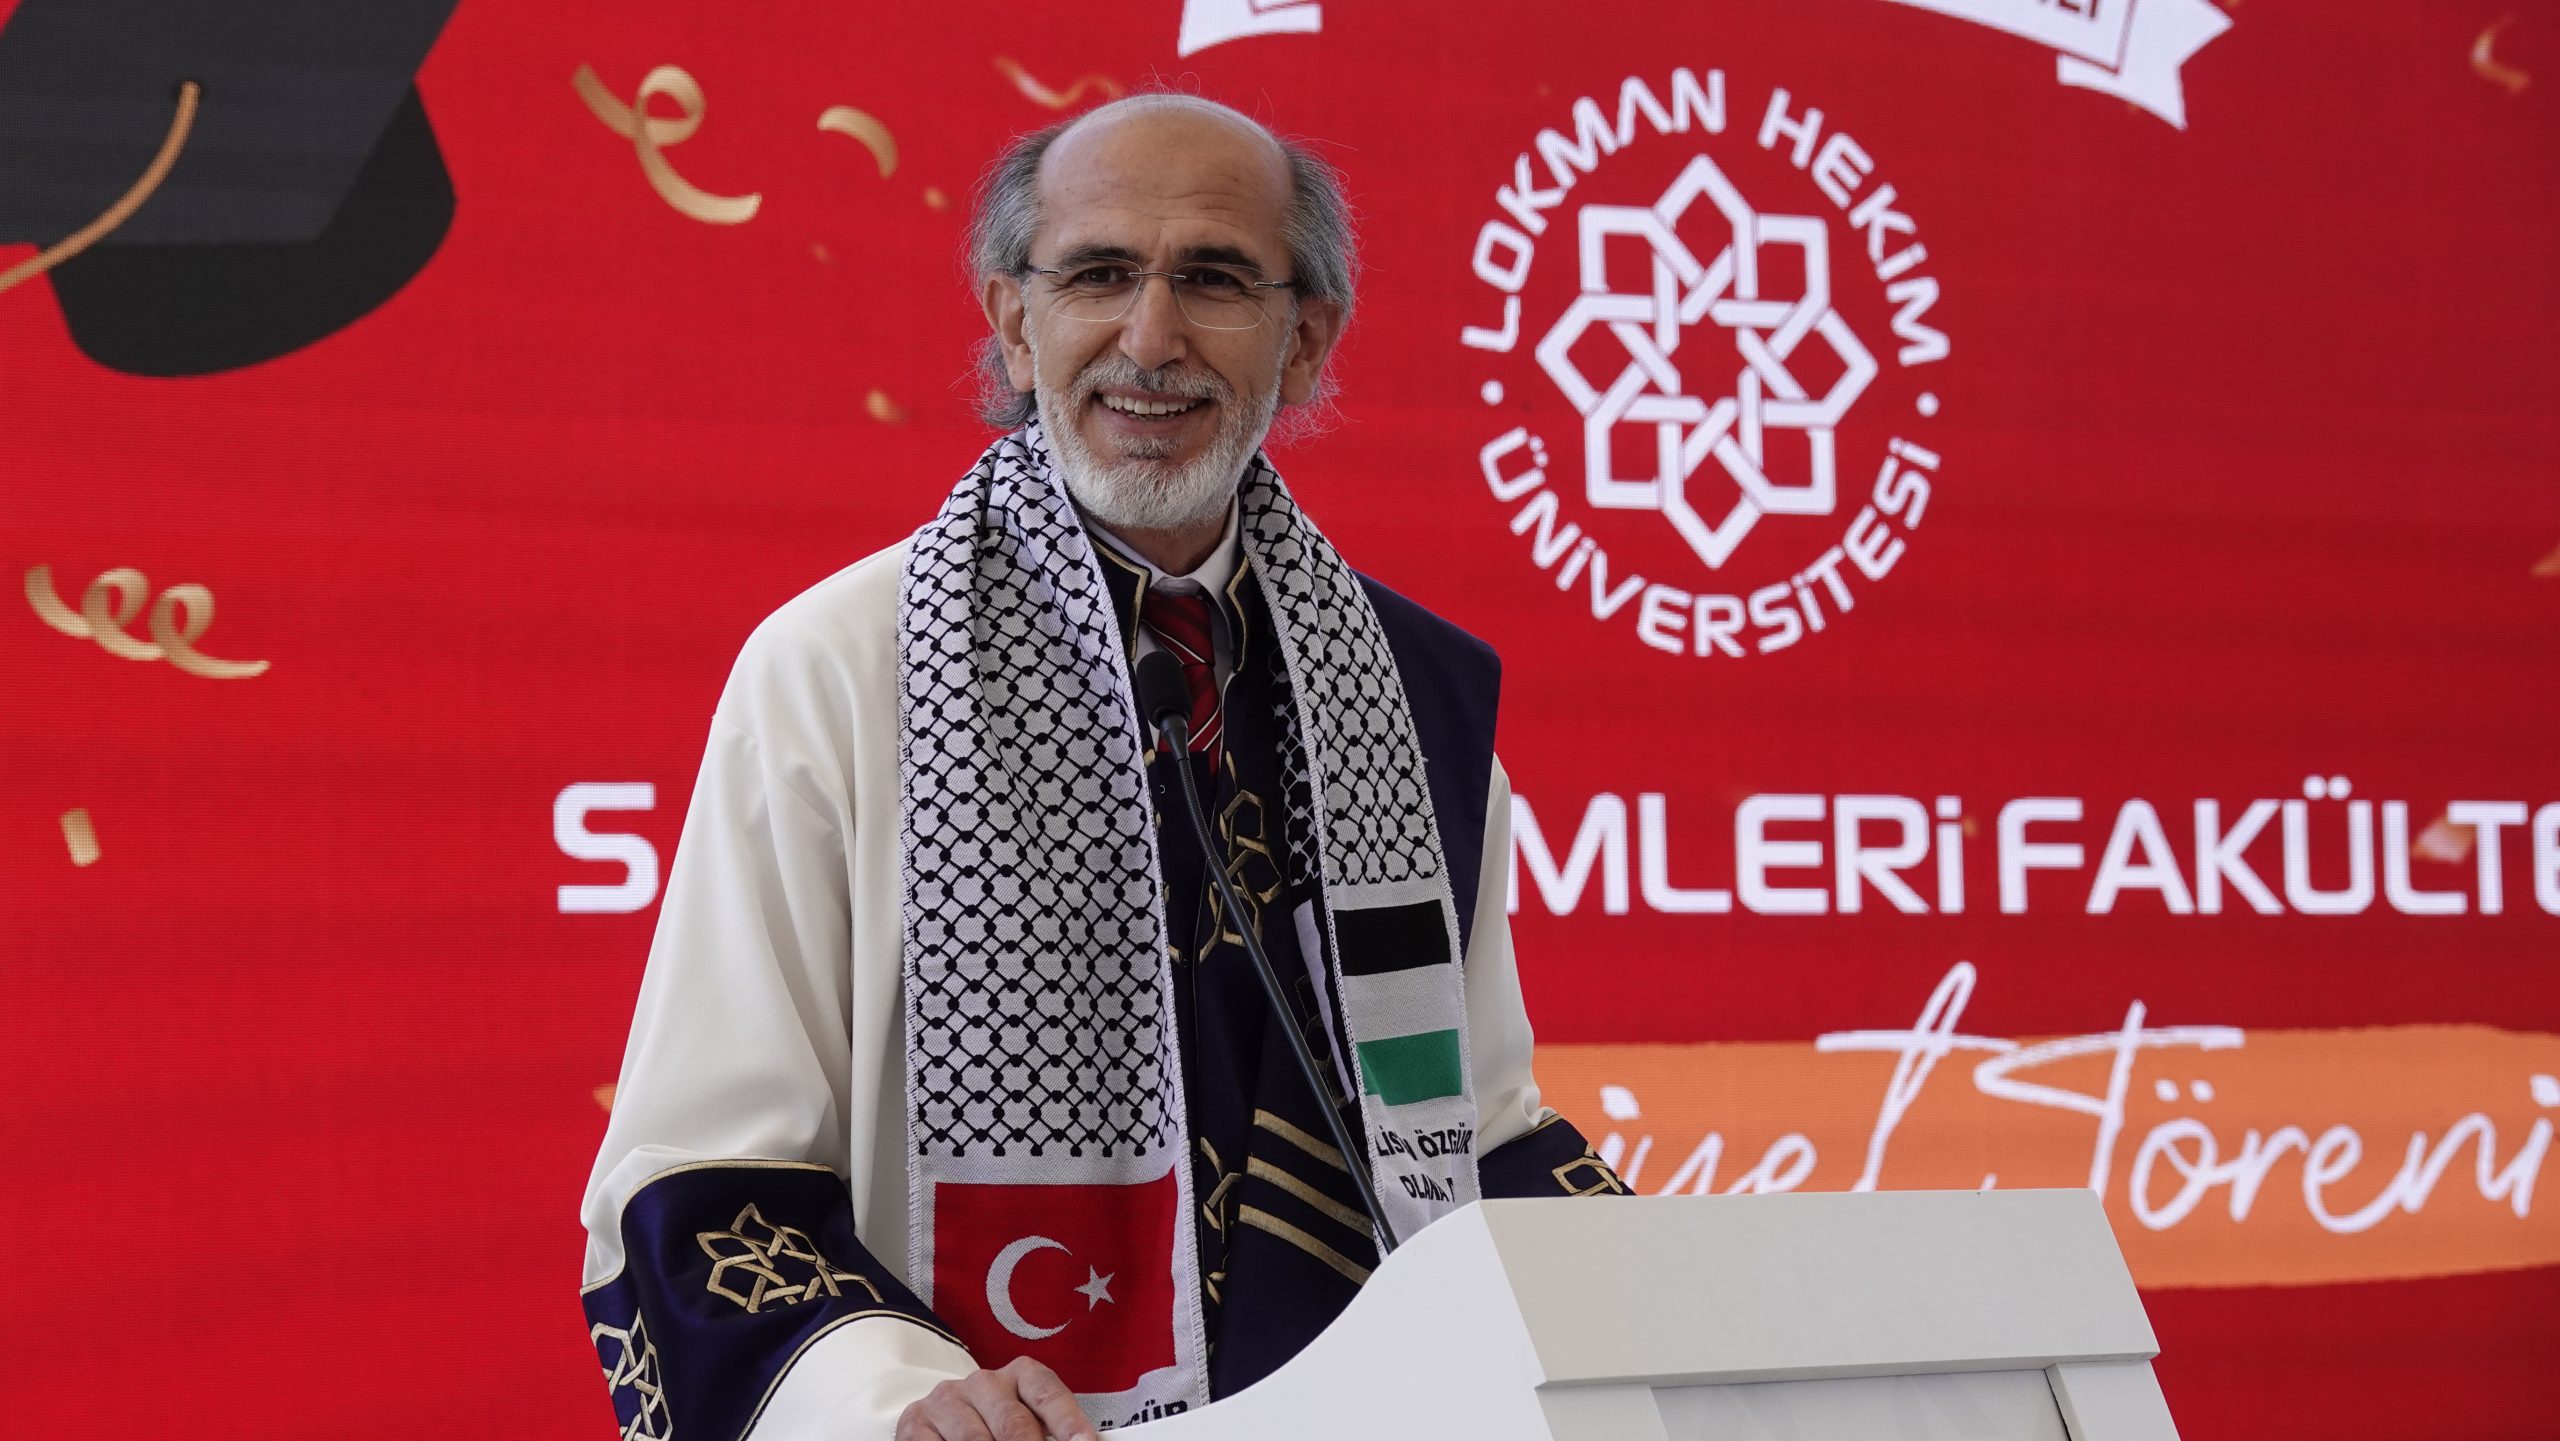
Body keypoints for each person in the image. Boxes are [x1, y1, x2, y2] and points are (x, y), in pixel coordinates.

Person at [577, 92, 1625, 1441]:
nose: (1150, 338)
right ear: (1016, 324)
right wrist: (897, 1404)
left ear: (1307, 340)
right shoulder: (841, 670)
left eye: (1216, 280)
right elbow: (703, 1181)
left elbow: (1472, 1141)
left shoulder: (1415, 697)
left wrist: (1694, 1309)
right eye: (1098, 275)